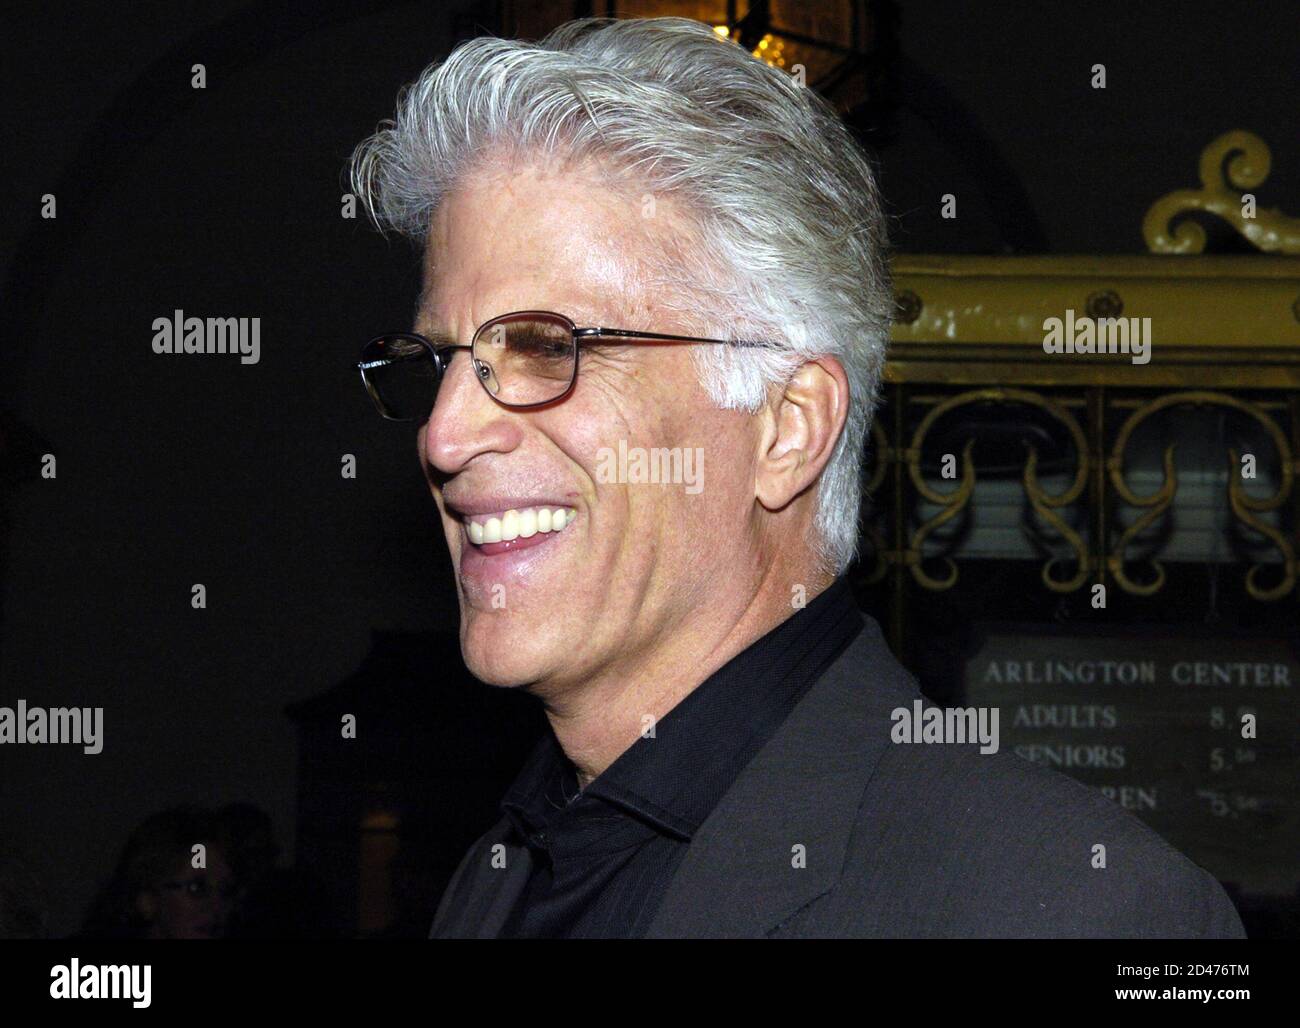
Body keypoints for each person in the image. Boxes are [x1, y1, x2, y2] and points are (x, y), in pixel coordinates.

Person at [348, 17, 1245, 938]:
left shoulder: (1072, 906)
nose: (446, 434)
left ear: (788, 427)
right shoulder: (495, 882)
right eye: (439, 358)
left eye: (546, 346)